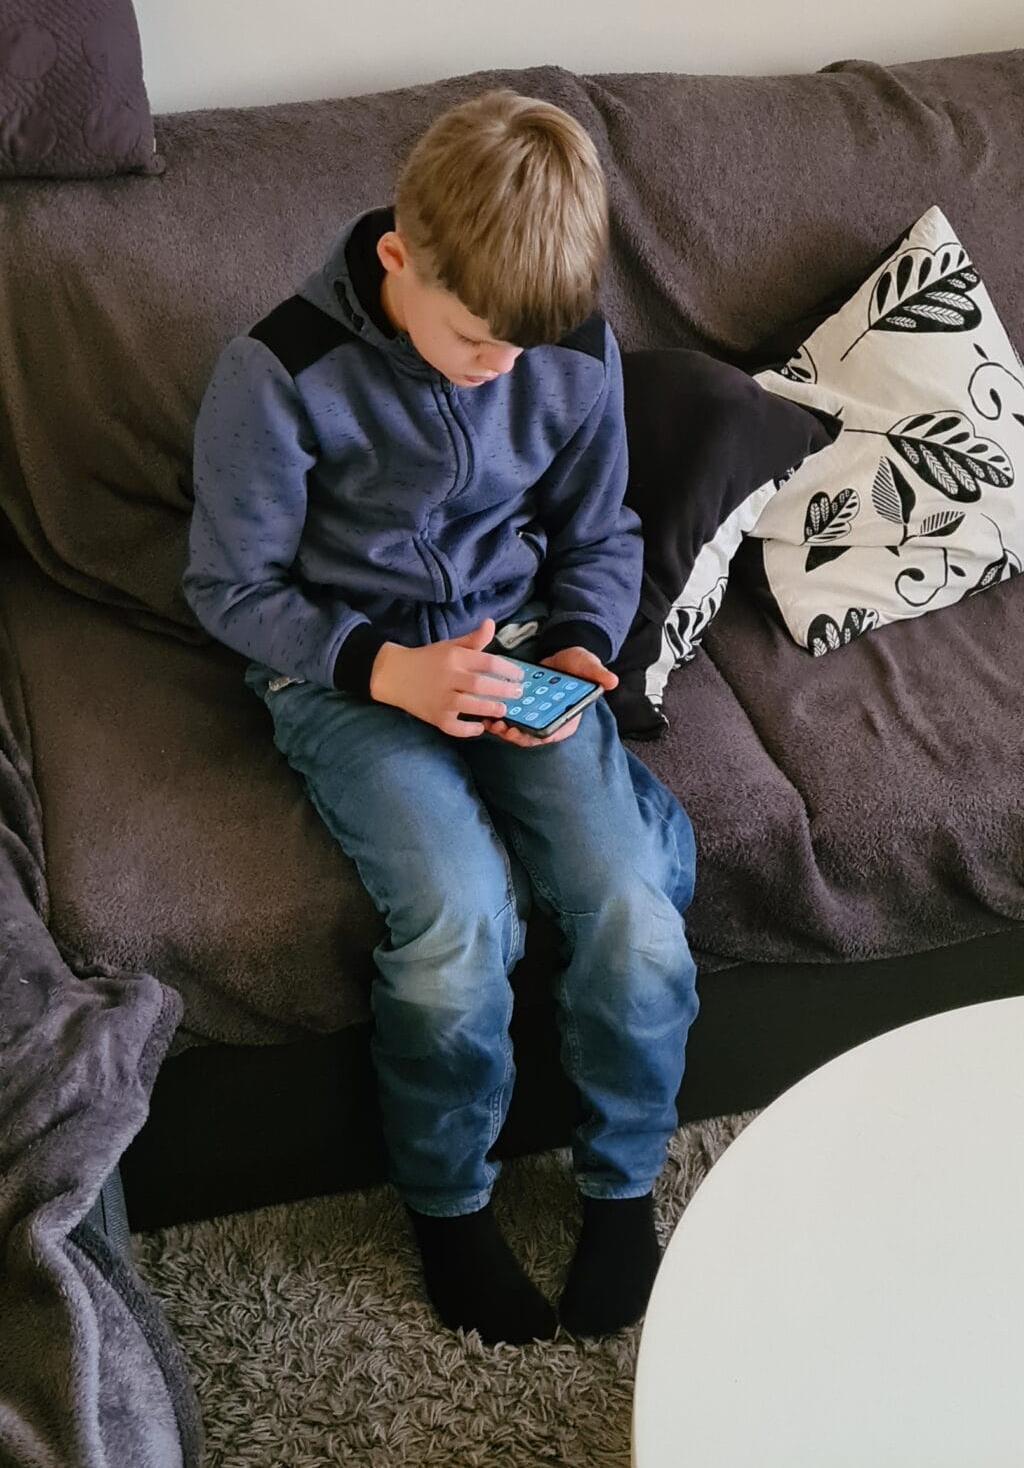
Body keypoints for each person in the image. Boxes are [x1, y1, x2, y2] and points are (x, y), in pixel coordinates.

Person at [184, 89, 699, 1345]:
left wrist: (577, 652)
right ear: (398, 258)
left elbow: (600, 532)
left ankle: (621, 1185)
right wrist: (384, 670)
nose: (501, 368)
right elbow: (230, 586)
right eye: (475, 341)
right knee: (460, 918)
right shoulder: (277, 372)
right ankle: (449, 1202)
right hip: (345, 671)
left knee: (633, 902)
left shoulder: (565, 345)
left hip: (517, 648)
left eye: (525, 347)